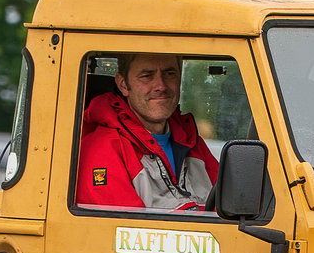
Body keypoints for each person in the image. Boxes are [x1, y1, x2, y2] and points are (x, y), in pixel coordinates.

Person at [77, 53, 218, 210]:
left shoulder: (191, 142)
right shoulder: (103, 149)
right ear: (123, 84)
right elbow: (123, 229)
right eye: (147, 76)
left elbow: (232, 205)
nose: (161, 86)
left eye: (169, 74)